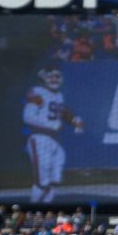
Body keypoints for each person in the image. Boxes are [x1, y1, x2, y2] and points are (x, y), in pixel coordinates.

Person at [22, 65, 83, 204]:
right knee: (42, 180)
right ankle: (32, 206)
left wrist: (74, 120)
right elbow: (28, 116)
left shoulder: (58, 95)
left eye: (57, 76)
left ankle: (47, 206)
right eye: (51, 76)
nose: (54, 79)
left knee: (56, 177)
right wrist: (51, 125)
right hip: (39, 138)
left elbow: (62, 112)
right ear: (45, 78)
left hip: (54, 140)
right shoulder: (38, 92)